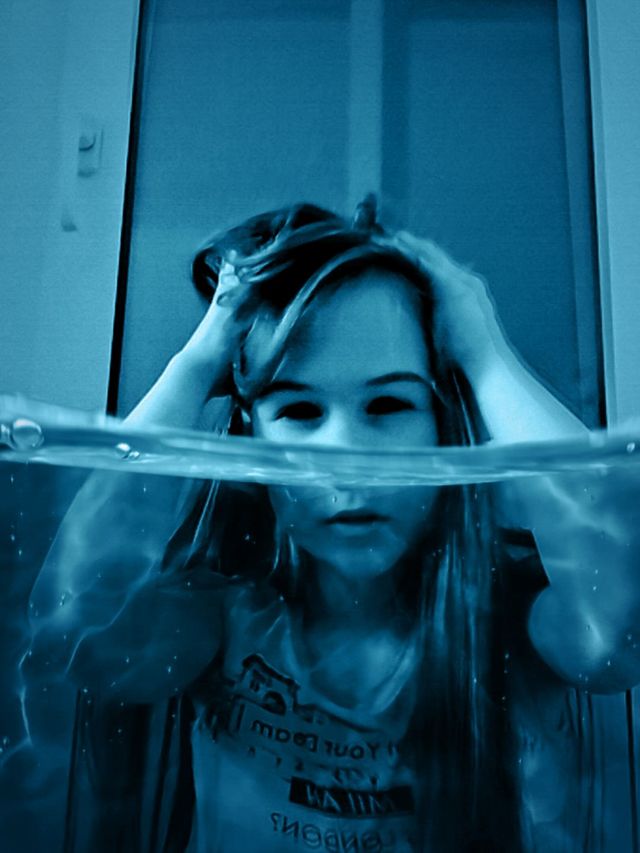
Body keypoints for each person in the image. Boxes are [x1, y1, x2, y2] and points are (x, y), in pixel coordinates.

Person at [25, 201, 640, 852]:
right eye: (297, 410)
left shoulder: (510, 622)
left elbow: (621, 631)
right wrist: (198, 359)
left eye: (389, 403)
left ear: (441, 427)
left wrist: (484, 354)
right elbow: (72, 629)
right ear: (250, 437)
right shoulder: (219, 619)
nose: (345, 458)